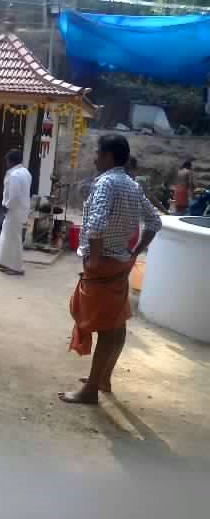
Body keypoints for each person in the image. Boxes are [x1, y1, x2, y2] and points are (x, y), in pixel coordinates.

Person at [59, 135, 162, 405]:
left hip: (102, 264)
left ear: (108, 156)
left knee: (105, 327)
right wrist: (135, 252)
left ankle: (91, 389)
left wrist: (93, 259)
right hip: (120, 263)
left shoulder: (105, 183)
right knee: (116, 323)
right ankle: (103, 379)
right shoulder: (132, 185)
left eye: (98, 153)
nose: (94, 157)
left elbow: (95, 225)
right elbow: (154, 222)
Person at [0, 149, 32, 276]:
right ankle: (2, 261)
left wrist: (6, 206)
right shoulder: (26, 172)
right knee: (6, 235)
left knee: (14, 238)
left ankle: (17, 267)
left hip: (14, 210)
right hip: (21, 210)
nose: (6, 163)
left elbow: (14, 196)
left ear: (10, 161)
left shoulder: (15, 175)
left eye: (7, 161)